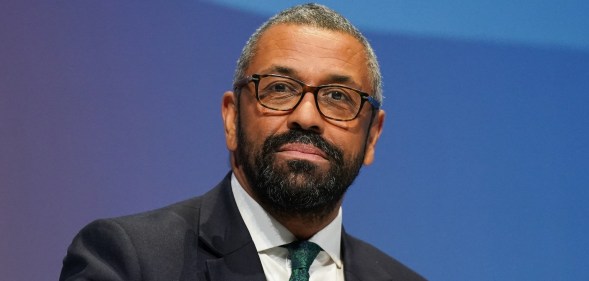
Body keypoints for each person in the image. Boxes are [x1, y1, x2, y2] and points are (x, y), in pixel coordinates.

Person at [60, 3, 425, 281]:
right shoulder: (128, 260)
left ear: (373, 135)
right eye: (280, 89)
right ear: (232, 117)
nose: (308, 117)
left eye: (337, 96)